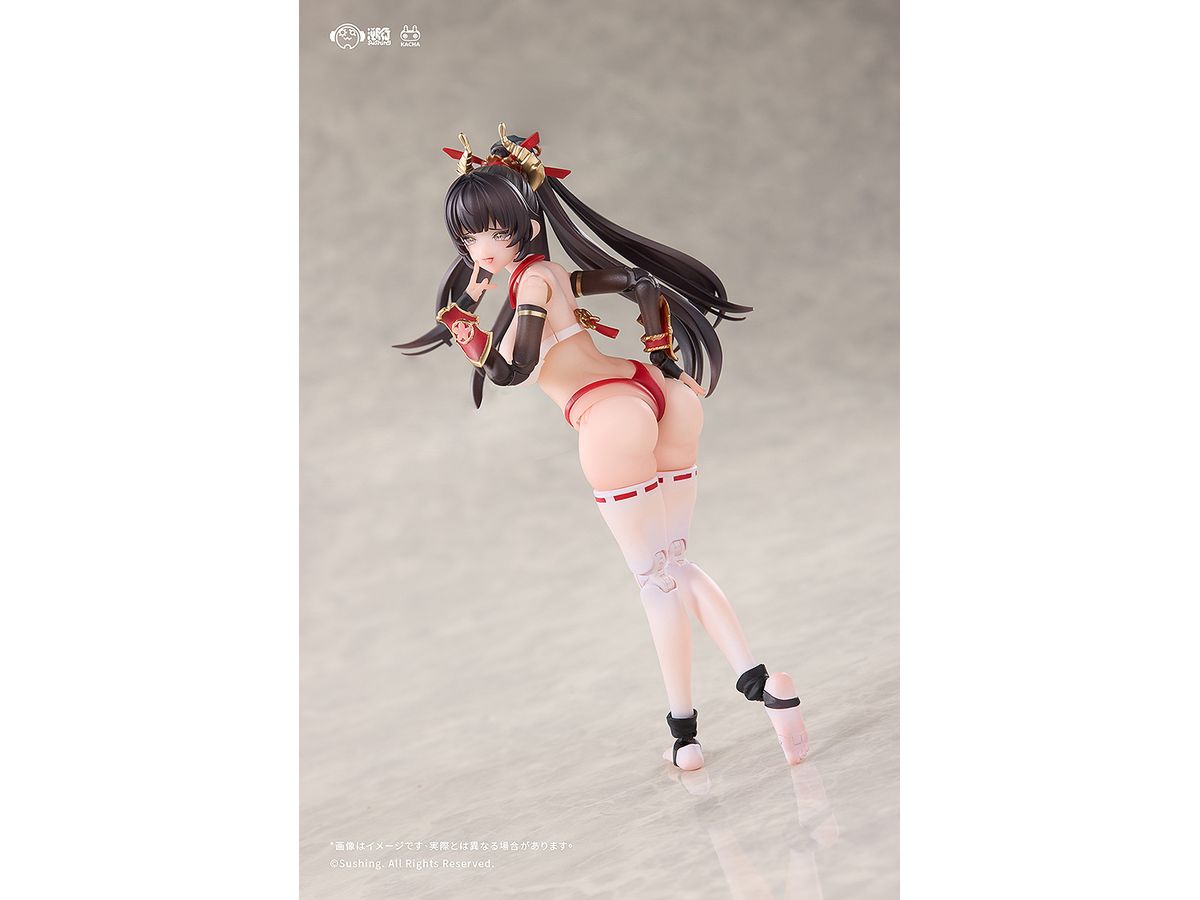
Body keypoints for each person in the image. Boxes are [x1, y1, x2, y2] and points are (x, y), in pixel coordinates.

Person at [396, 125, 808, 770]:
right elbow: (641, 282)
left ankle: (702, 725)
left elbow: (509, 371)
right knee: (674, 563)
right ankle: (746, 695)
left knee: (655, 578)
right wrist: (663, 359)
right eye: (470, 238)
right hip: (657, 394)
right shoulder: (552, 273)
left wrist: (462, 323)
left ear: (526, 227)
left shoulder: (531, 286)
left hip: (608, 415)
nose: (482, 249)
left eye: (494, 234)